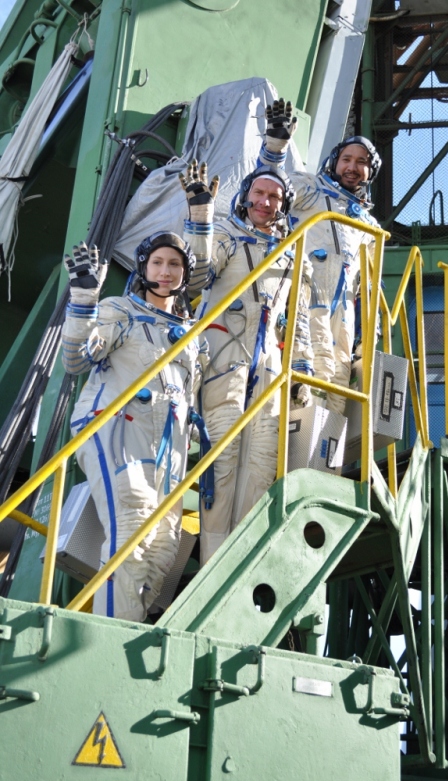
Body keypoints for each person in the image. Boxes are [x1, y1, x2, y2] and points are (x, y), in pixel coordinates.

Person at [62, 232, 208, 621]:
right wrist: (84, 300)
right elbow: (76, 360)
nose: (165, 272)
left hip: (169, 450)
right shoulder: (119, 310)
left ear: (185, 273)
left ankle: (123, 632)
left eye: (174, 264)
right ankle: (109, 640)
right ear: (144, 267)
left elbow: (191, 401)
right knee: (132, 528)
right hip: (119, 431)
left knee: (162, 551)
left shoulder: (193, 338)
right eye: (157, 263)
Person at [180, 160, 316, 563]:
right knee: (221, 465)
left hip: (268, 368)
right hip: (224, 361)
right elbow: (197, 276)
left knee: (260, 466)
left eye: (274, 196)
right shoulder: (225, 235)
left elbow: (299, 319)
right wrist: (200, 218)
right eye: (259, 193)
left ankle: (240, 565)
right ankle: (213, 566)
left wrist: (302, 367)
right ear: (245, 197)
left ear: (284, 205)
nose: (265, 202)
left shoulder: (294, 253)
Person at [256, 99, 382, 413]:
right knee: (306, 372)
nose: (352, 167)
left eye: (362, 162)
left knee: (337, 383)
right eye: (346, 159)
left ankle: (323, 445)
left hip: (344, 312)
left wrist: (369, 336)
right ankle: (291, 437)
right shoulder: (310, 189)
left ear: (371, 171)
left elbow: (371, 287)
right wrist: (275, 147)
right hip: (303, 295)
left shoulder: (370, 227)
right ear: (334, 162)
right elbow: (269, 189)